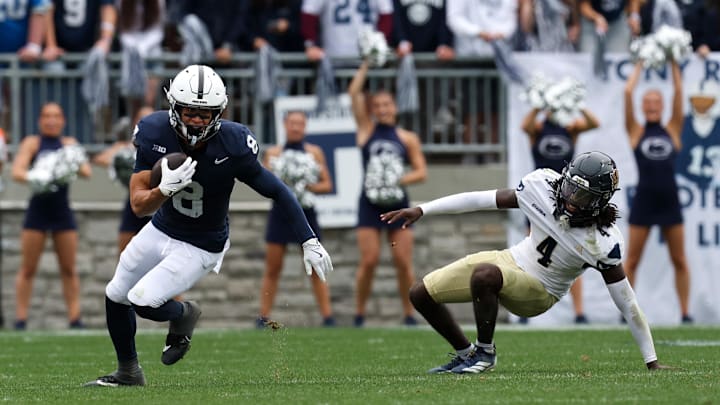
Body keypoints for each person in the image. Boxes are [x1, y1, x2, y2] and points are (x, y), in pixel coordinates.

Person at [84, 64, 334, 387]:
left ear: (219, 112)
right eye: (191, 112)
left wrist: (308, 239)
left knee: (143, 300)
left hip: (202, 244)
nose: (197, 121)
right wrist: (163, 190)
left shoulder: (233, 144)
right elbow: (137, 204)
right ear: (174, 108)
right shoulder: (153, 132)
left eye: (206, 114)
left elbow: (276, 190)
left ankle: (184, 313)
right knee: (116, 293)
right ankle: (128, 372)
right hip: (162, 226)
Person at [381, 151, 671, 374]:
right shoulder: (542, 185)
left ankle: (485, 353)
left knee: (485, 275)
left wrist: (651, 361)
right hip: (512, 259)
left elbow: (627, 303)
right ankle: (466, 353)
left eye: (582, 196)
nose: (571, 199)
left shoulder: (602, 240)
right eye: (570, 188)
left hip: (541, 289)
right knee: (420, 293)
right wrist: (423, 209)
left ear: (600, 201)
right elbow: (482, 199)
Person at [348, 60, 427, 326]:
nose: (382, 109)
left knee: (403, 261)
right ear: (373, 109)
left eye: (386, 105)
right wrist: (366, 65)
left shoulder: (407, 138)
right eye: (377, 106)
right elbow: (353, 94)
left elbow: (421, 171)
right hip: (369, 203)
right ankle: (358, 313)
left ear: (394, 107)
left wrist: (395, 178)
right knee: (369, 260)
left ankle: (409, 314)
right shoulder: (366, 131)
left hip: (398, 203)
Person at [11, 102, 92, 330]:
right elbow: (17, 171)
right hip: (37, 211)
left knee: (68, 268)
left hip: (62, 212)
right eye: (46, 116)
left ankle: (75, 319)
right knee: (28, 268)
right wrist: (36, 177)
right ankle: (20, 319)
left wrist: (68, 162)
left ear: (63, 120)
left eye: (56, 116)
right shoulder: (32, 143)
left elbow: (86, 171)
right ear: (40, 120)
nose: (51, 120)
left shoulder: (69, 144)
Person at [624, 60, 692, 323]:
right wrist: (640, 62)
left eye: (656, 102)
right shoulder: (635, 131)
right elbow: (628, 93)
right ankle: (627, 312)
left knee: (680, 259)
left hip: (669, 201)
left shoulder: (673, 130)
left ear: (662, 106)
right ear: (643, 106)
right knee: (631, 261)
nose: (652, 105)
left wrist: (673, 60)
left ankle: (685, 313)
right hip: (644, 201)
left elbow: (678, 91)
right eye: (648, 102)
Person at [520, 106, 601, 324]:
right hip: (538, 198)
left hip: (567, 200)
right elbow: (524, 126)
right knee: (530, 252)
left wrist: (575, 104)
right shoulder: (538, 128)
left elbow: (595, 123)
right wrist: (539, 104)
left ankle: (579, 312)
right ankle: (522, 310)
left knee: (572, 255)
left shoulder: (570, 129)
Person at [257, 110, 335, 327]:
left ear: (305, 126)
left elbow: (327, 184)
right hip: (280, 214)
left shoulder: (315, 153)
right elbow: (262, 184)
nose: (296, 127)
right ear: (285, 125)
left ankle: (328, 317)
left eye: (300, 123)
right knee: (273, 268)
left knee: (316, 265)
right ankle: (262, 317)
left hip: (306, 213)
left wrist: (307, 185)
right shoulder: (273, 153)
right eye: (292, 123)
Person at [92, 106, 155, 255]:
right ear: (135, 123)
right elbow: (99, 159)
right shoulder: (126, 147)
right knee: (125, 256)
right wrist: (123, 163)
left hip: (157, 207)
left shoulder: (164, 147)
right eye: (142, 119)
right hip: (134, 205)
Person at [301, 0, 393, 61]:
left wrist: (377, 45)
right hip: (333, 56)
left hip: (365, 57)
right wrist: (311, 44)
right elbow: (309, 16)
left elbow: (386, 17)